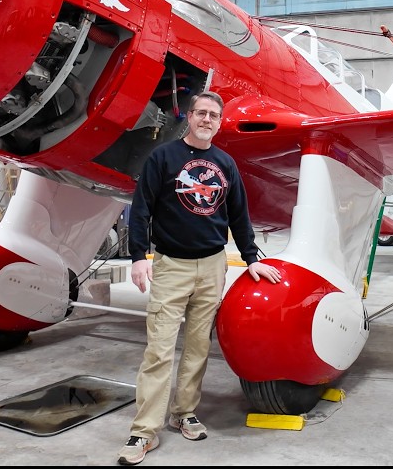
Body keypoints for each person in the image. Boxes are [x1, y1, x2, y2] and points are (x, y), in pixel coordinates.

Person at [118, 90, 282, 466]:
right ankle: (144, 431)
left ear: (219, 122)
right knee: (159, 351)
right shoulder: (162, 157)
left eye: (213, 115)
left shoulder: (225, 164)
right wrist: (138, 256)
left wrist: (251, 257)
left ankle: (184, 413)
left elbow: (239, 215)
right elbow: (141, 209)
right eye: (200, 113)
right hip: (170, 266)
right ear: (189, 117)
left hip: (212, 267)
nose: (206, 119)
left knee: (197, 348)